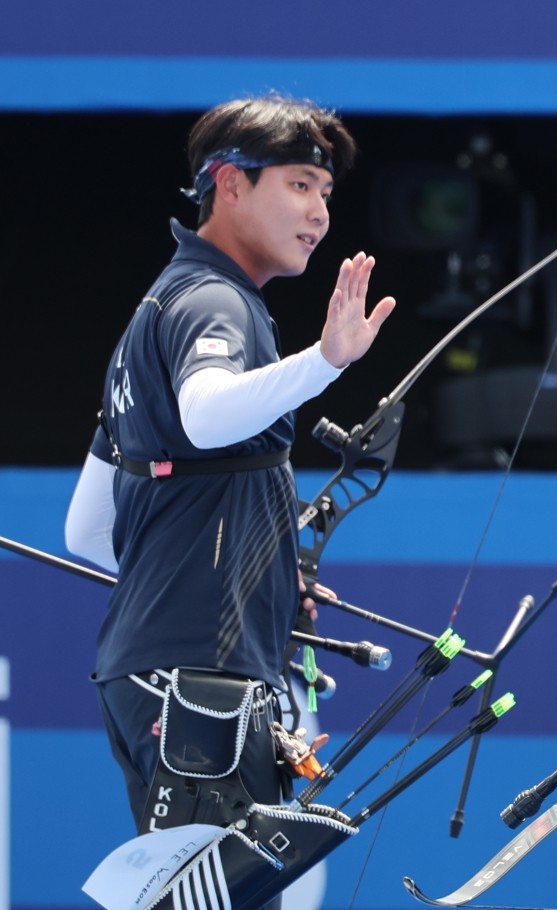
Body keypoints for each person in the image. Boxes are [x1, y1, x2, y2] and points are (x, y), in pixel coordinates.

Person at [63, 96, 395, 864]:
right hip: (199, 687)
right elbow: (208, 414)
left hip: (147, 675)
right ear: (229, 183)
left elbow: (86, 530)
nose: (318, 213)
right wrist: (326, 362)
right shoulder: (217, 302)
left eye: (326, 194)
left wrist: (242, 577)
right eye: (301, 185)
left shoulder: (157, 308)